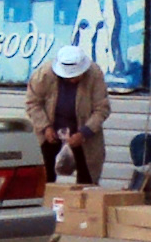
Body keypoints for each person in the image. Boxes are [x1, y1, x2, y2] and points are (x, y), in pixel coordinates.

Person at [24, 33, 110, 185]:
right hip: (50, 133)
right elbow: (33, 103)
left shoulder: (94, 75)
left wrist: (85, 132)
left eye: (77, 76)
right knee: (43, 178)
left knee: (87, 179)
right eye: (70, 77)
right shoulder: (43, 74)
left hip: (83, 133)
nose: (73, 80)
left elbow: (101, 108)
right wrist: (45, 127)